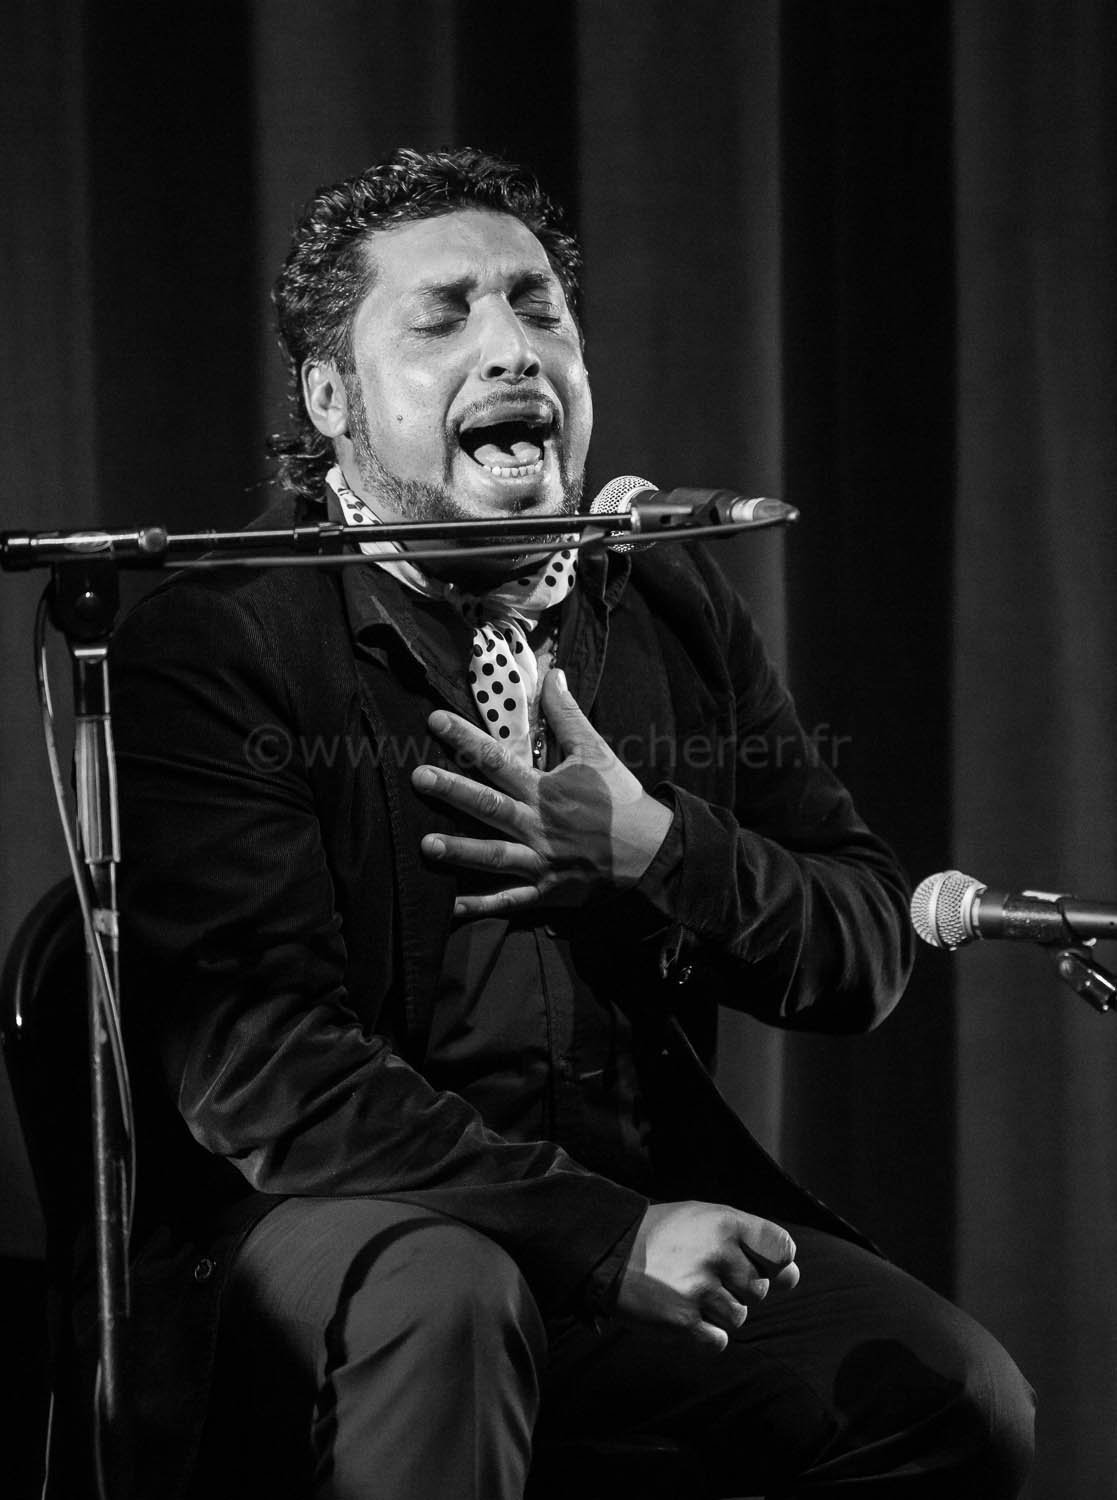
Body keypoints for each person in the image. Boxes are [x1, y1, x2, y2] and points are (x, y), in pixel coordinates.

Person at [103, 146, 1034, 1499]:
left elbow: (865, 952)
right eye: (443, 319)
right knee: (450, 1291)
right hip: (325, 1232)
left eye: (539, 309)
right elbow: (266, 1072)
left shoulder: (667, 606)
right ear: (331, 399)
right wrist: (606, 1238)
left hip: (623, 1217)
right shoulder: (223, 639)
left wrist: (658, 850)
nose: (512, 349)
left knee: (950, 1397)